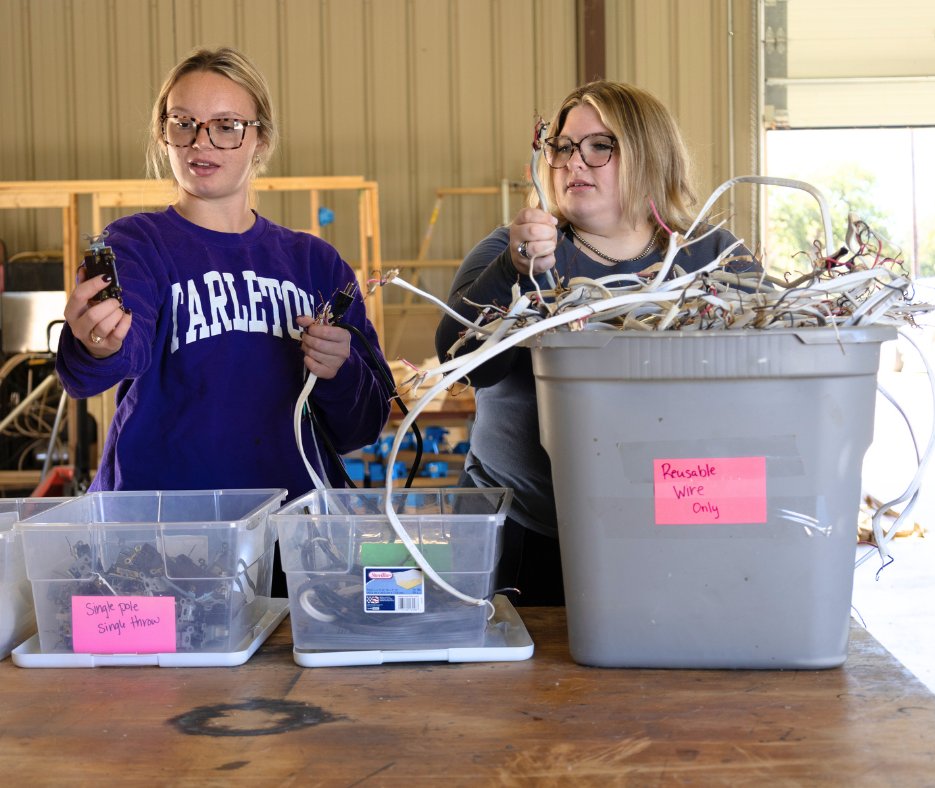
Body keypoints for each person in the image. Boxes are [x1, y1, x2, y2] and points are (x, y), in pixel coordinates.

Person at [435, 81, 755, 606]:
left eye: (599, 146)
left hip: (675, 526)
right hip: (525, 527)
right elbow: (459, 359)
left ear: (650, 154)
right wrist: (511, 271)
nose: (572, 163)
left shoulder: (713, 258)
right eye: (562, 146)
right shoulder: (514, 250)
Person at [56, 47, 391, 508]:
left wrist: (340, 370)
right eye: (183, 123)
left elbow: (363, 426)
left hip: (289, 533)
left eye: (227, 126)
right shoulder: (136, 243)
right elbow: (99, 367)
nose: (201, 142)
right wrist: (99, 343)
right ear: (163, 134)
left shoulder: (315, 263)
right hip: (158, 532)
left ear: (262, 139)